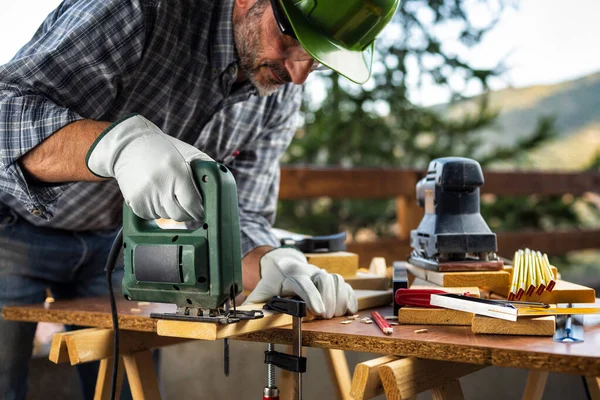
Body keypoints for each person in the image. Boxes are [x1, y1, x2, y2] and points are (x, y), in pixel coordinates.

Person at [0, 0, 399, 398]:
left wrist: (275, 265)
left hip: (116, 242)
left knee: (124, 387)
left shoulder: (278, 92)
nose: (296, 75)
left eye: (315, 60)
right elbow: (6, 112)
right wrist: (114, 145)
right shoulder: (138, 9)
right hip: (11, 229)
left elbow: (242, 219)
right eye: (290, 39)